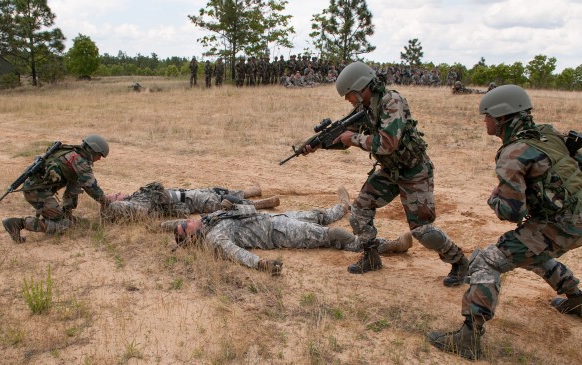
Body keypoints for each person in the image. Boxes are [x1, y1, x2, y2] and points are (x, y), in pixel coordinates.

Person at [427, 85, 582, 360]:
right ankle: (577, 299)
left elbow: (511, 212)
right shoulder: (547, 133)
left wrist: (493, 199)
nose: (483, 121)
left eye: (486, 116)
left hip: (560, 225)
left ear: (500, 118)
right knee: (531, 252)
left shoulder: (513, 153)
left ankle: (468, 336)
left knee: (487, 260)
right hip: (574, 218)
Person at [302, 62, 469, 286]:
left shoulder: (392, 101)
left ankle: (459, 261)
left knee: (422, 230)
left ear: (362, 88)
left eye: (349, 94)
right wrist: (319, 144)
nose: (347, 99)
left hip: (414, 171)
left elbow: (387, 144)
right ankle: (371, 257)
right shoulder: (366, 108)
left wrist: (352, 138)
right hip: (391, 170)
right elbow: (345, 137)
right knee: (360, 209)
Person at [168, 188, 413, 275]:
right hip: (280, 232)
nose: (189, 221)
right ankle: (388, 246)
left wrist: (232, 204)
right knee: (334, 236)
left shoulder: (210, 220)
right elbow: (236, 253)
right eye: (185, 226)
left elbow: (244, 209)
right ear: (192, 236)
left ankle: (343, 206)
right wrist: (260, 263)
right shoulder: (215, 238)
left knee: (317, 214)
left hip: (274, 218)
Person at [2, 135, 112, 243]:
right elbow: (92, 187)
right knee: (65, 225)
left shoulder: (69, 152)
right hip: (37, 192)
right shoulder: (79, 162)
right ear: (93, 151)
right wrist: (106, 202)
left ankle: (64, 213)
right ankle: (18, 224)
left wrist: (67, 211)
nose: (99, 159)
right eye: (99, 155)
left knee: (75, 184)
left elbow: (74, 186)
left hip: (36, 189)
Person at [102, 182, 281, 220]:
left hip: (187, 194)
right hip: (189, 200)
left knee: (216, 191)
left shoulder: (138, 197)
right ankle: (261, 204)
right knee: (221, 201)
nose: (117, 193)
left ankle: (252, 191)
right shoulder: (138, 203)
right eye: (114, 195)